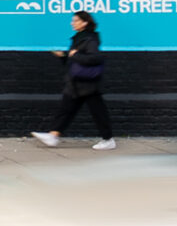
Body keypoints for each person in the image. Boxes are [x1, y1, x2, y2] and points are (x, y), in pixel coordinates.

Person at [32, 10, 116, 149]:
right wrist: (64, 56)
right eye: (73, 20)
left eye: (76, 20)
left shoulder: (90, 39)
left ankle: (108, 140)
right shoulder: (79, 38)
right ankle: (53, 136)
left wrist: (74, 55)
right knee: (66, 110)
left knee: (98, 112)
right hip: (76, 84)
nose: (72, 23)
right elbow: (75, 58)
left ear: (84, 22)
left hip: (88, 85)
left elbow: (94, 58)